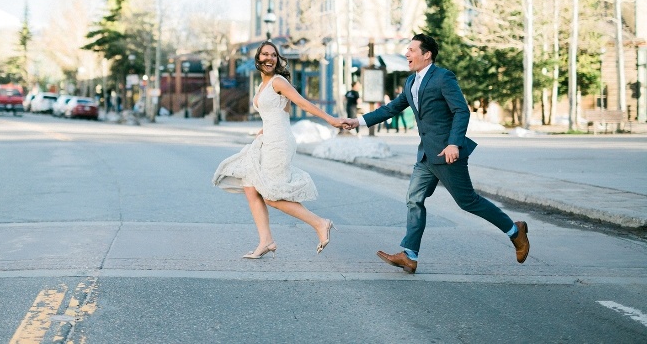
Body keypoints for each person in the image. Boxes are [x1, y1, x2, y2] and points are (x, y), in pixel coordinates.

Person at [343, 33, 530, 274]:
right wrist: (358, 121)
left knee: (468, 201)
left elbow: (461, 111)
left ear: (426, 54)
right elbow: (392, 108)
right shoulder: (411, 82)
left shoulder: (443, 77)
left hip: (446, 153)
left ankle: (515, 231)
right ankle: (409, 255)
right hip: (425, 156)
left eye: (411, 50)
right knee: (414, 199)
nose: (407, 54)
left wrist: (454, 144)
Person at [213, 40, 346, 259]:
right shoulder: (262, 85)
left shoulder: (279, 82)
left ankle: (320, 223)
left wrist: (330, 119)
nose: (269, 58)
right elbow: (275, 114)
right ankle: (266, 240)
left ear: (277, 59)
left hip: (280, 142)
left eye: (273, 55)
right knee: (250, 186)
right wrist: (260, 133)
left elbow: (303, 103)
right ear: (258, 59)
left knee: (271, 195)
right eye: (265, 55)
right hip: (267, 139)